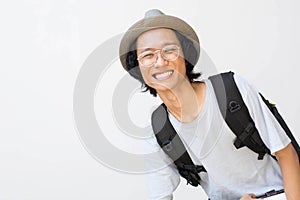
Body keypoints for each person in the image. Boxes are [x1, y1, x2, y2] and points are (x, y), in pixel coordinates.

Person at [119, 9, 300, 200]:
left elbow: (285, 153)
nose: (160, 61)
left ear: (185, 56)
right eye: (148, 55)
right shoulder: (157, 132)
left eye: (169, 50)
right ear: (138, 68)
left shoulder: (232, 88)